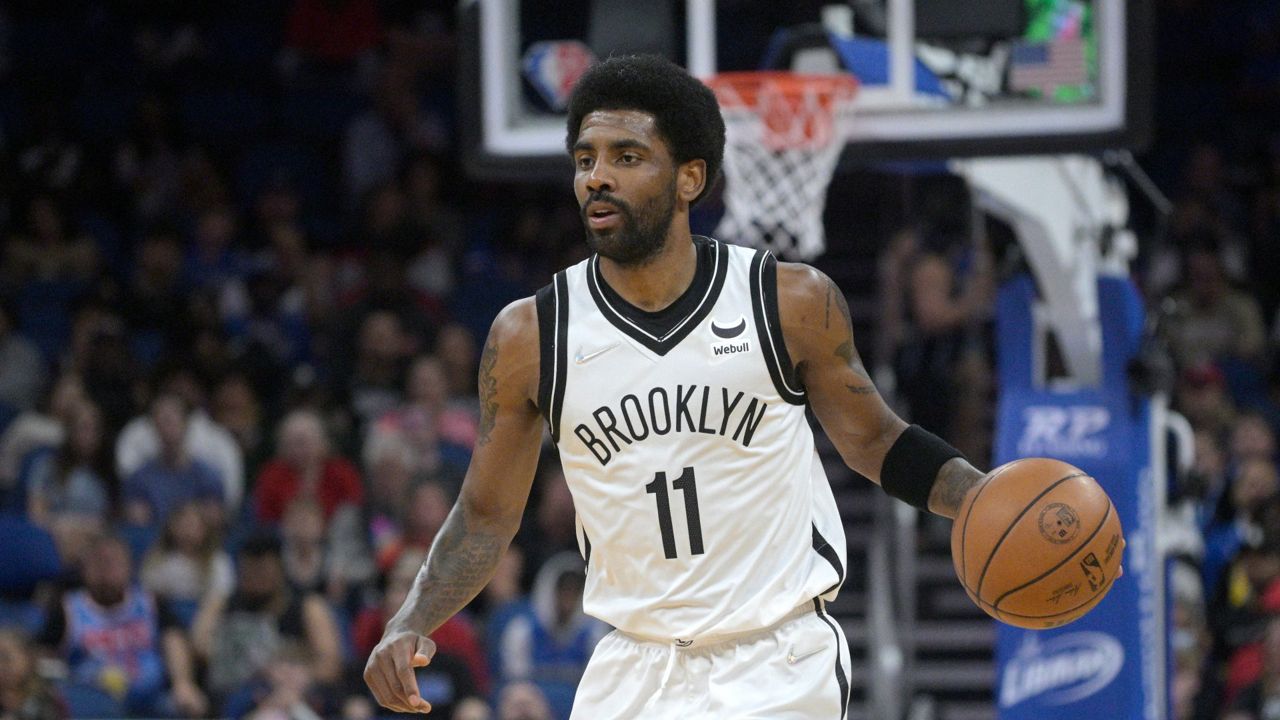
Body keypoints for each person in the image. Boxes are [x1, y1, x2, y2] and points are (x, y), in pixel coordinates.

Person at [365, 55, 994, 718]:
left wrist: (978, 495)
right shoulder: (530, 336)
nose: (598, 177)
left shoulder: (788, 302)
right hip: (631, 666)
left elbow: (875, 440)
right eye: (585, 159)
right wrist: (411, 617)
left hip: (776, 660)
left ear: (690, 177)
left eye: (628, 157)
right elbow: (487, 514)